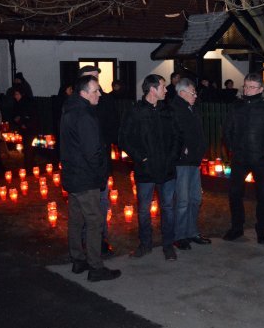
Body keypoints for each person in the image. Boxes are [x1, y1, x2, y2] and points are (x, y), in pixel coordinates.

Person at [61, 75, 121, 282]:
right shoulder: (85, 115)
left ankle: (78, 259)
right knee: (95, 221)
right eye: (95, 91)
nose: (100, 94)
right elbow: (92, 151)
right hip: (86, 178)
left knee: (77, 220)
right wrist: (101, 174)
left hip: (73, 175)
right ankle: (96, 267)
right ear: (83, 93)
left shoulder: (70, 110)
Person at [119, 74, 180, 260]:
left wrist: (171, 158)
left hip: (167, 170)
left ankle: (168, 245)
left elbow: (178, 137)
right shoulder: (135, 111)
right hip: (145, 171)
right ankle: (145, 244)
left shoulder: (168, 111)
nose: (167, 89)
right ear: (152, 89)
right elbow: (124, 139)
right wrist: (141, 158)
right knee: (144, 209)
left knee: (168, 208)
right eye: (163, 86)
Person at [222, 73, 264, 244]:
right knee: (235, 193)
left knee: (263, 196)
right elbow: (227, 131)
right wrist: (233, 148)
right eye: (245, 86)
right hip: (240, 158)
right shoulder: (236, 107)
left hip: (261, 159)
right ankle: (237, 227)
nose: (247, 90)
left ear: (260, 88)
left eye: (251, 87)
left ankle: (261, 229)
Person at [77, 65, 119, 257]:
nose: (96, 81)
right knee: (86, 208)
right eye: (91, 78)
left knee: (102, 204)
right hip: (84, 166)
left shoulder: (105, 100)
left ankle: (101, 240)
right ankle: (85, 243)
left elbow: (112, 125)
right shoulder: (76, 105)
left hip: (101, 161)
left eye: (97, 77)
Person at [171, 78, 211, 250]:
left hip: (194, 160)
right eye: (192, 92)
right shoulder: (174, 110)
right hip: (182, 162)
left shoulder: (192, 108)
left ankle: (192, 231)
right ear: (182, 93)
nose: (195, 95)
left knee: (195, 198)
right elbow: (173, 134)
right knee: (183, 200)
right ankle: (179, 235)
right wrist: (183, 149)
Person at [10, 86, 38, 171]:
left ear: (21, 94)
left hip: (30, 129)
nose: (15, 96)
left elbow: (32, 116)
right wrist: (18, 120)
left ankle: (29, 167)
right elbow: (16, 116)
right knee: (27, 149)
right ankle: (30, 165)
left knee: (28, 149)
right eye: (15, 94)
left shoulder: (27, 103)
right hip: (25, 129)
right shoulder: (18, 104)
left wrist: (25, 124)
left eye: (17, 94)